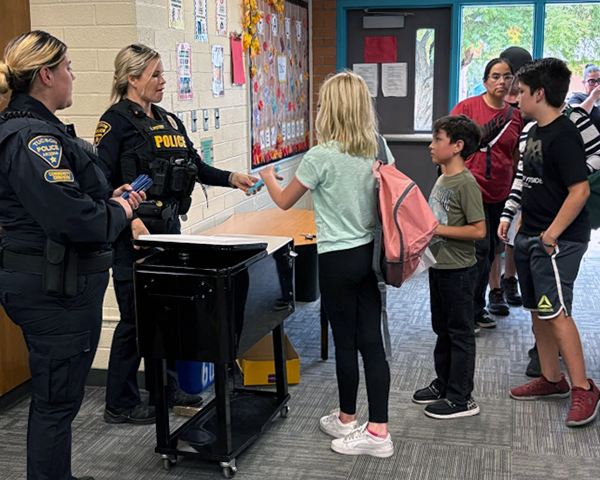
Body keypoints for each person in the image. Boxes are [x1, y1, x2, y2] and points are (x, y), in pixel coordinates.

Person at [0, 31, 144, 480]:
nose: (73, 76)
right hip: (53, 290)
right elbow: (76, 222)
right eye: (67, 68)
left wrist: (107, 196)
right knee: (56, 401)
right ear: (46, 75)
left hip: (56, 283)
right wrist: (119, 209)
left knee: (58, 400)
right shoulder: (31, 138)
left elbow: (64, 197)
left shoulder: (35, 131)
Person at [94, 44, 259, 425]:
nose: (163, 81)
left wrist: (232, 178)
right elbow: (100, 181)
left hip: (170, 231)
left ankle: (165, 391)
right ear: (131, 79)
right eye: (155, 74)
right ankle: (119, 402)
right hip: (134, 235)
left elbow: (195, 166)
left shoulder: (168, 120)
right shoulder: (114, 122)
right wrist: (130, 221)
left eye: (163, 73)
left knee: (168, 315)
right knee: (135, 320)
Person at [259, 71, 394, 458]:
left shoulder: (320, 156)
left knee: (345, 342)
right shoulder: (380, 148)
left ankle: (357, 422)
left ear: (330, 110)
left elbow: (284, 201)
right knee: (371, 341)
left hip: (336, 260)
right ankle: (369, 426)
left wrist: (268, 175)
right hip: (371, 255)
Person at [499, 58, 600, 427]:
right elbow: (528, 181)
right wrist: (513, 215)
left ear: (539, 94)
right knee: (539, 311)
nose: (516, 97)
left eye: (522, 92)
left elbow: (579, 190)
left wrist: (552, 235)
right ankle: (551, 379)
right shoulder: (533, 131)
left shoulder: (564, 133)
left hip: (558, 240)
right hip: (531, 234)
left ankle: (583, 388)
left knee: (556, 313)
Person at [412, 115, 486, 419]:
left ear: (457, 146)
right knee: (442, 329)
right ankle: (444, 384)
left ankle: (461, 398)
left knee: (460, 333)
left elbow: (479, 230)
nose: (431, 145)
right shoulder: (443, 177)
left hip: (459, 271)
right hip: (440, 267)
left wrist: (435, 230)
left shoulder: (466, 183)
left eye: (437, 139)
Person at [450, 58, 523, 329]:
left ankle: (478, 306)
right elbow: (446, 138)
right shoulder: (468, 107)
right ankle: (469, 308)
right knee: (476, 253)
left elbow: (514, 154)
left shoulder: (515, 116)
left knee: (494, 250)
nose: (502, 82)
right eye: (495, 76)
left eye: (506, 77)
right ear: (485, 81)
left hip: (501, 190)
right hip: (471, 190)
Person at [494, 47, 533, 310]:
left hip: (520, 176)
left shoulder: (528, 103)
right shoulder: (494, 101)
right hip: (496, 177)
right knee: (495, 236)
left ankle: (510, 279)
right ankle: (494, 289)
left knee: (514, 233)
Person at [569, 63, 600, 130]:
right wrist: (593, 97)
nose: (596, 84)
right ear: (584, 83)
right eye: (592, 81)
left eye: (599, 81)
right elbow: (575, 116)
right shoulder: (577, 98)